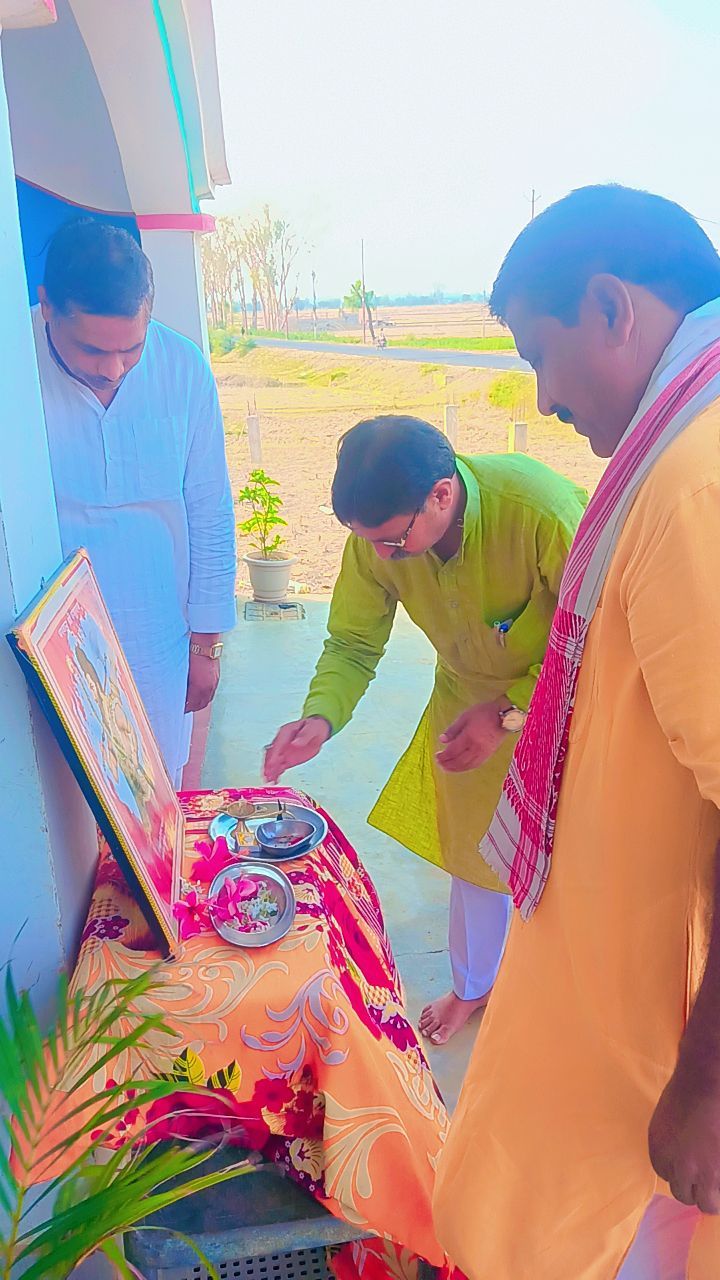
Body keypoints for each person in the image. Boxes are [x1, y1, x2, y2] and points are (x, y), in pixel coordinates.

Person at [433, 184, 720, 1279]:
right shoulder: (681, 447)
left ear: (611, 306)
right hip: (615, 988)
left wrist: (709, 1084)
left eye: (539, 355)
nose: (545, 396)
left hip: (652, 1030)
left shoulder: (694, 481)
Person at [263, 415, 586, 1043]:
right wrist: (321, 716)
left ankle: (560, 987)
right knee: (474, 853)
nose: (383, 556)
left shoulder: (539, 511)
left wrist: (511, 711)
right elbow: (353, 641)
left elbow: (598, 633)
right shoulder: (378, 538)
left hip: (570, 694)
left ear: (442, 494)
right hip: (465, 701)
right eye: (370, 542)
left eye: (392, 540)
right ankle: (475, 985)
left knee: (570, 852)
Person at [33, 218, 236, 783]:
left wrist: (207, 644)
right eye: (93, 349)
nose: (114, 368)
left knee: (150, 789)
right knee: (55, 795)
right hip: (41, 638)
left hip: (156, 636)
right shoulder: (12, 366)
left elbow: (209, 510)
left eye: (132, 348)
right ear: (47, 306)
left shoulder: (184, 368)